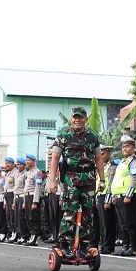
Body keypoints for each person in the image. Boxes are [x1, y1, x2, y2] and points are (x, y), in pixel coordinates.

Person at [49, 107, 104, 259]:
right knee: (69, 212)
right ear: (71, 119)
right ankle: (65, 244)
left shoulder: (92, 136)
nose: (77, 120)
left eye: (80, 117)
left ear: (86, 119)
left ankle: (85, 246)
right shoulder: (63, 135)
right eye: (75, 117)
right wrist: (52, 180)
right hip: (70, 180)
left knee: (88, 214)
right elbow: (55, 158)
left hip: (89, 179)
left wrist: (102, 180)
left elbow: (98, 158)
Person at [110, 135, 136, 257]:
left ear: (133, 148)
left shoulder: (134, 161)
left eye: (127, 146)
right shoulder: (123, 162)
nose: (124, 149)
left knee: (131, 223)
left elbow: (134, 178)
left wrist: (128, 195)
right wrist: (114, 195)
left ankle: (133, 248)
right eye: (123, 147)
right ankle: (125, 246)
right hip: (119, 197)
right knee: (123, 224)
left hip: (129, 197)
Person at [97, 145, 118, 254]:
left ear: (109, 154)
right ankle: (104, 244)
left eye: (103, 153)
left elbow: (110, 184)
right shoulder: (102, 166)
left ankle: (109, 246)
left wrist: (108, 200)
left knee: (108, 223)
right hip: (101, 195)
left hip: (107, 196)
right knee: (103, 223)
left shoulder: (112, 167)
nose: (101, 156)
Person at [23, 154, 42, 246]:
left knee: (33, 217)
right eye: (26, 160)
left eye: (29, 160)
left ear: (34, 161)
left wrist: (35, 201)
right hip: (27, 197)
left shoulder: (37, 172)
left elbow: (37, 187)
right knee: (28, 217)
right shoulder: (28, 172)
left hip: (33, 197)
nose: (27, 162)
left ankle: (34, 237)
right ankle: (31, 235)